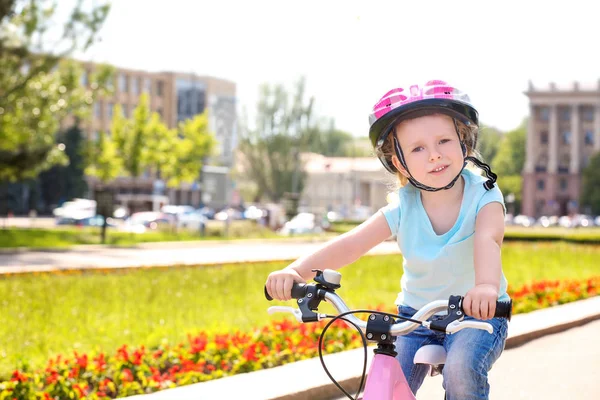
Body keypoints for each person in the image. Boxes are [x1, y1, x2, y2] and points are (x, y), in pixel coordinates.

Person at [265, 80, 509, 400]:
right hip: (414, 317)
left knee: (461, 371)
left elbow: (488, 240)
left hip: (475, 314)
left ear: (464, 143)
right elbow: (352, 243)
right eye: (418, 148)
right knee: (384, 384)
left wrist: (486, 288)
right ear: (399, 162)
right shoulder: (403, 205)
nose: (434, 155)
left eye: (444, 141)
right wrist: (297, 271)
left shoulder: (484, 195)